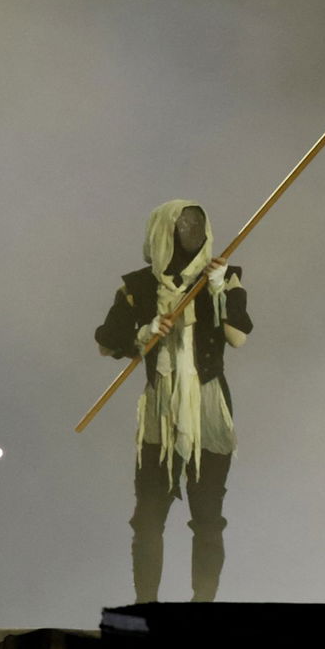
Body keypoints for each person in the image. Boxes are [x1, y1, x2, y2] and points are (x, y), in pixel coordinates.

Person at [95, 200, 252, 603]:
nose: (191, 233)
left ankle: (203, 608)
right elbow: (105, 344)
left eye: (197, 225)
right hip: (160, 411)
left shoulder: (222, 277)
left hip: (209, 407)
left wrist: (219, 290)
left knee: (208, 520)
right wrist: (145, 332)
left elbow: (238, 337)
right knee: (147, 519)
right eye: (183, 226)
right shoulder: (138, 287)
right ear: (164, 232)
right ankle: (147, 607)